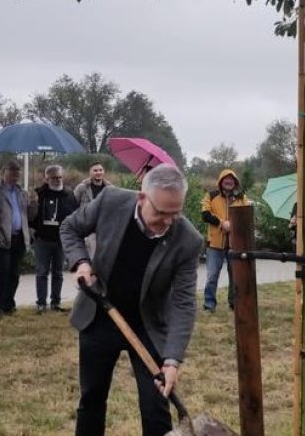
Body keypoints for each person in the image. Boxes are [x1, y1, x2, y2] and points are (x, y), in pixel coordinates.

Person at [61, 164, 203, 436]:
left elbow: (184, 303)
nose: (168, 221)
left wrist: (172, 360)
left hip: (147, 325)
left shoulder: (188, 240)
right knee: (91, 398)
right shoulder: (111, 202)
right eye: (161, 213)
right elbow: (70, 228)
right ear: (142, 199)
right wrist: (81, 262)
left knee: (155, 406)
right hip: (100, 313)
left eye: (175, 213)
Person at [31, 164, 79, 313]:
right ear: (47, 178)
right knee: (42, 272)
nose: (57, 180)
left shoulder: (69, 195)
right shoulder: (39, 194)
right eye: (54, 178)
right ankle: (41, 303)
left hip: (61, 240)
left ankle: (55, 302)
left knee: (58, 273)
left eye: (59, 177)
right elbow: (32, 216)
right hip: (43, 239)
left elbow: (74, 215)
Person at [199, 169, 247, 312]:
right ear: (221, 181)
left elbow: (247, 214)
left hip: (235, 243)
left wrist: (234, 224)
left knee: (235, 275)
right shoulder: (211, 195)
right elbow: (205, 214)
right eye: (226, 179)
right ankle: (209, 305)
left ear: (235, 182)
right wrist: (222, 223)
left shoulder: (241, 197)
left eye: (231, 179)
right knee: (212, 275)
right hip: (214, 245)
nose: (229, 181)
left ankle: (234, 303)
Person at [0, 160, 31, 316]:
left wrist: (33, 203)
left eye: (18, 171)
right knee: (3, 272)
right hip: (3, 236)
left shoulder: (22, 192)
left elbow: (28, 215)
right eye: (12, 170)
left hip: (19, 237)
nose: (15, 174)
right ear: (4, 172)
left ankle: (9, 303)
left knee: (14, 273)